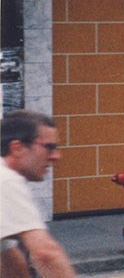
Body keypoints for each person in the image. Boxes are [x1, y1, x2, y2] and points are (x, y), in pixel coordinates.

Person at [1, 110, 76, 277]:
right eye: (49, 147)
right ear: (17, 148)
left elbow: (8, 257)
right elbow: (46, 253)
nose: (56, 156)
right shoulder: (6, 181)